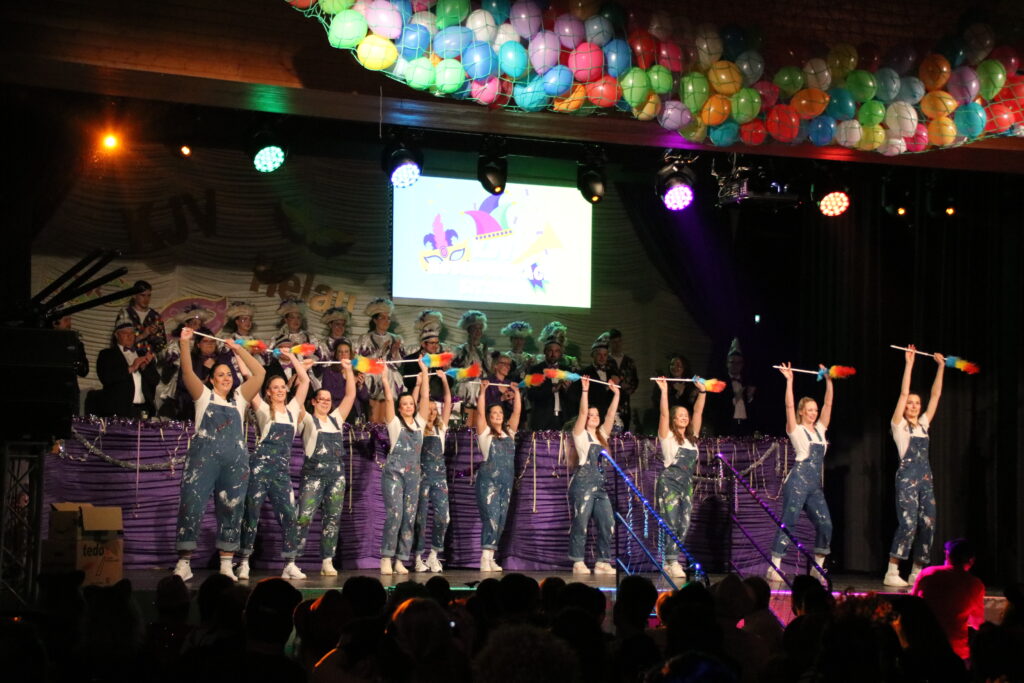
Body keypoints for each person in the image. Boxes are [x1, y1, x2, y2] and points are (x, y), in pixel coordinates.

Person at [172, 326, 266, 582]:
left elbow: (260, 373)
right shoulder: (204, 397)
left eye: (229, 374)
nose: (226, 378)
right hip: (203, 462)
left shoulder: (240, 399)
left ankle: (226, 564)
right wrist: (184, 343)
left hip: (235, 463)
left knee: (232, 509)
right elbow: (187, 372)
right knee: (191, 505)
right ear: (212, 380)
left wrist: (238, 350)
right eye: (220, 375)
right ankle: (184, 563)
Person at [237, 349, 311, 582]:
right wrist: (237, 350)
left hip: (281, 472)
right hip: (259, 468)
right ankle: (244, 562)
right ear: (268, 392)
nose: (279, 390)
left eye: (282, 387)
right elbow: (248, 376)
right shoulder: (261, 408)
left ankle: (289, 564)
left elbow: (305, 381)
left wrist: (293, 357)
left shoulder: (293, 410)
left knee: (289, 515)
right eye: (275, 388)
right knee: (251, 513)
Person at [767, 362, 834, 582]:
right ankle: (774, 566)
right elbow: (788, 406)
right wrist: (789, 381)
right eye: (810, 410)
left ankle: (818, 567)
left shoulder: (821, 430)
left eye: (815, 410)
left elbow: (828, 403)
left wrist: (829, 381)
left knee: (825, 524)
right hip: (797, 481)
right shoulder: (796, 430)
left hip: (814, 485)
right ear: (802, 411)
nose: (814, 413)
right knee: (789, 521)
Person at [884, 345, 945, 588]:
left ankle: (917, 571)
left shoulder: (923, 425)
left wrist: (940, 367)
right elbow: (902, 393)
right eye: (910, 403)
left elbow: (936, 396)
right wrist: (909, 364)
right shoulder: (899, 426)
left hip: (925, 478)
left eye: (917, 403)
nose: (914, 406)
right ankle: (892, 570)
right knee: (908, 524)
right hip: (907, 478)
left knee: (928, 523)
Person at [295, 362, 358, 577]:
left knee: (332, 519)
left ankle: (327, 560)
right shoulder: (307, 419)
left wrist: (348, 370)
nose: (324, 402)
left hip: (336, 478)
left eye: (328, 400)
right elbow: (297, 401)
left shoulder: (336, 419)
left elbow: (350, 395)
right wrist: (302, 370)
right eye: (320, 399)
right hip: (313, 477)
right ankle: (292, 560)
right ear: (313, 401)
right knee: (303, 517)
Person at [379, 360, 432, 575]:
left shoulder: (420, 423)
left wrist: (425, 372)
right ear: (400, 408)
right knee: (395, 515)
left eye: (411, 403)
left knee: (409, 517)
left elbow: (425, 397)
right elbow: (388, 399)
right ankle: (386, 557)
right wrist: (385, 378)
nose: (409, 406)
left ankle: (401, 559)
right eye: (405, 404)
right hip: (394, 474)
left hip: (414, 476)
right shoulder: (394, 424)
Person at [654, 376, 707, 579]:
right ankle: (672, 561)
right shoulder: (667, 436)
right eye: (680, 415)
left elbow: (698, 411)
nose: (685, 417)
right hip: (669, 483)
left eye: (686, 415)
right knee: (671, 522)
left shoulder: (692, 439)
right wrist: (664, 391)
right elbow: (663, 413)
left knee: (684, 523)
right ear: (674, 420)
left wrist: (702, 391)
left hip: (686, 485)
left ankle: (671, 560)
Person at [568, 375, 620, 575]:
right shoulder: (580, 434)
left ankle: (602, 561)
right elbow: (582, 412)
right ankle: (578, 561)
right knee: (581, 522)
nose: (595, 417)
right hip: (583, 483)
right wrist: (585, 390)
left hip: (600, 486)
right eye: (591, 415)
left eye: (597, 414)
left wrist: (616, 395)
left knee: (608, 522)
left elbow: (610, 416)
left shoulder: (602, 436)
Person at [475, 377, 522, 572]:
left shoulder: (509, 433)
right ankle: (484, 559)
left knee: (501, 520)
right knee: (491, 518)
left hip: (506, 482)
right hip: (489, 482)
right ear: (489, 417)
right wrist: (483, 391)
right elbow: (479, 412)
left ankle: (491, 557)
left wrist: (517, 392)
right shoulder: (485, 433)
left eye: (500, 412)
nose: (497, 415)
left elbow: (517, 412)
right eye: (494, 413)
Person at [912, 538, 985, 660]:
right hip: (955, 651)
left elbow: (912, 604)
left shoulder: (928, 573)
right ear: (971, 560)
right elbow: (977, 622)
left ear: (947, 554)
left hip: (924, 647)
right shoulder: (974, 584)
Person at [412, 371, 453, 574]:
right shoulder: (418, 428)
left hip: (439, 478)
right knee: (420, 518)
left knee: (443, 517)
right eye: (428, 410)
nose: (432, 413)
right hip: (421, 477)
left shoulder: (441, 429)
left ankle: (434, 554)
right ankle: (418, 557)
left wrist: (444, 380)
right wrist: (419, 384)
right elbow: (414, 402)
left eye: (434, 410)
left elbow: (448, 401)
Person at [356, 297, 405, 424]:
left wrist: (394, 352)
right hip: (371, 374)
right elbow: (358, 362)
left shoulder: (396, 338)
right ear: (375, 320)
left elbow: (398, 364)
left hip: (389, 375)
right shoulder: (365, 338)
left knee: (389, 377)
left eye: (388, 318)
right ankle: (373, 426)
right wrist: (380, 353)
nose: (386, 321)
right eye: (382, 317)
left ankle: (388, 425)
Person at [97, 321, 159, 418]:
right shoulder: (107, 354)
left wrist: (144, 367)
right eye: (125, 333)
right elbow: (106, 378)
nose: (129, 336)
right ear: (116, 335)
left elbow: (155, 380)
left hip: (143, 410)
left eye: (132, 333)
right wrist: (131, 368)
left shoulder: (142, 354)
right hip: (119, 411)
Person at [525, 324, 573, 431]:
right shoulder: (536, 370)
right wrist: (552, 389)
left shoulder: (567, 370)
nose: (553, 354)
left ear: (561, 353)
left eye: (556, 351)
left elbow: (574, 397)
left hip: (563, 418)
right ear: (545, 351)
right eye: (550, 350)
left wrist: (567, 389)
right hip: (542, 418)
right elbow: (531, 395)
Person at [571, 333, 621, 426]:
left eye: (605, 355)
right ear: (593, 355)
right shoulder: (584, 373)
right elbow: (575, 397)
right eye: (599, 354)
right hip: (591, 419)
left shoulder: (612, 374)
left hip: (609, 419)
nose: (602, 358)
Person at [712, 338, 757, 436]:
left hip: (745, 425)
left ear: (742, 364)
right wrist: (736, 397)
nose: (735, 365)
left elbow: (754, 409)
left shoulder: (747, 381)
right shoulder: (720, 382)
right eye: (732, 362)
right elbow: (716, 407)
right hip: (727, 425)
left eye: (738, 363)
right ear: (727, 363)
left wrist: (750, 397)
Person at [452, 310, 491, 425]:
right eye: (475, 328)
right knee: (465, 422)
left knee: (479, 423)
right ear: (469, 330)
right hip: (465, 388)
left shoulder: (486, 350)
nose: (477, 332)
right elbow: (455, 371)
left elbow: (490, 371)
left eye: (480, 328)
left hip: (480, 388)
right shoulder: (460, 350)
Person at [402, 310, 448, 402]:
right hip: (416, 400)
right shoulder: (410, 359)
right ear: (423, 344)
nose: (435, 346)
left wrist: (446, 370)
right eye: (432, 343)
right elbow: (407, 383)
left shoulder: (440, 360)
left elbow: (448, 385)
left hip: (435, 402)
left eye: (437, 343)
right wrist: (422, 377)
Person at [319, 339, 369, 422]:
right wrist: (351, 384)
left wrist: (360, 386)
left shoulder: (356, 371)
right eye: (340, 352)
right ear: (336, 354)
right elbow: (328, 395)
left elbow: (365, 397)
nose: (343, 354)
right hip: (338, 410)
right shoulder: (329, 371)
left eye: (346, 352)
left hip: (356, 412)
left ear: (350, 354)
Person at [114, 280, 167, 358]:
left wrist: (154, 336)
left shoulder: (155, 316)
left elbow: (162, 344)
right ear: (134, 295)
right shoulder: (125, 314)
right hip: (128, 359)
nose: (146, 299)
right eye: (143, 295)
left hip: (150, 360)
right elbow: (120, 342)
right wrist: (143, 335)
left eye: (149, 295)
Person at [53, 315, 89, 415]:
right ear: (54, 323)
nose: (69, 323)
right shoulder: (46, 342)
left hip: (69, 393)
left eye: (70, 320)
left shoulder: (76, 343)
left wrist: (76, 362)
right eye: (66, 320)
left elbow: (84, 371)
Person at [607, 329, 638, 432]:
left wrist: (625, 387)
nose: (617, 344)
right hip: (608, 404)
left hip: (624, 405)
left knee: (624, 433)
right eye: (614, 342)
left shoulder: (629, 362)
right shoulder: (606, 360)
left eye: (619, 341)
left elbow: (635, 382)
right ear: (610, 343)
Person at [484, 352, 516, 418]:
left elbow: (515, 409)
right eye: (504, 364)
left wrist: (510, 401)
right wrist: (502, 398)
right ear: (496, 365)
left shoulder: (510, 384)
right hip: (490, 418)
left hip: (506, 419)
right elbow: (485, 404)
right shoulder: (488, 382)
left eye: (509, 364)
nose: (508, 367)